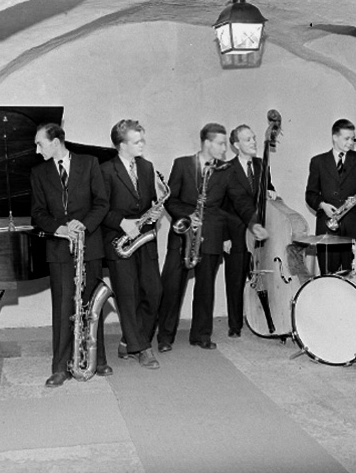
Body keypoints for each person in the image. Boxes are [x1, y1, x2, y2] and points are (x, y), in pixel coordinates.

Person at [155, 123, 269, 352]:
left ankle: (201, 335)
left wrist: (253, 223)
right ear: (207, 143)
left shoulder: (226, 171)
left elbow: (240, 200)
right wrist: (187, 216)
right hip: (183, 235)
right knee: (172, 286)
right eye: (220, 144)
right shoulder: (182, 164)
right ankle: (165, 337)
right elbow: (170, 199)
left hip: (212, 233)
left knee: (205, 288)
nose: (224, 149)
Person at [31, 123, 111, 387]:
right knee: (64, 307)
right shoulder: (39, 172)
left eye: (40, 143)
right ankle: (60, 367)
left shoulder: (89, 163)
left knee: (92, 305)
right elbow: (38, 213)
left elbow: (102, 203)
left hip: (90, 244)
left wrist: (83, 225)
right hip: (59, 248)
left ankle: (98, 360)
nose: (37, 150)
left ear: (55, 142)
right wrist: (60, 229)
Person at [101, 119, 163, 370]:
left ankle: (130, 341)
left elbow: (150, 201)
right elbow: (99, 208)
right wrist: (121, 222)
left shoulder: (147, 167)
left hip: (145, 239)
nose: (142, 145)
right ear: (121, 145)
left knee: (154, 292)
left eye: (142, 140)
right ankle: (142, 348)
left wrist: (155, 213)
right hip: (120, 241)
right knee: (128, 296)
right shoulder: (105, 170)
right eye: (136, 141)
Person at [221, 124, 275, 338]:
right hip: (235, 232)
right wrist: (224, 236)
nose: (253, 142)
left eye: (253, 138)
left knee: (262, 277)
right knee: (235, 279)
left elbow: (267, 190)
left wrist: (272, 191)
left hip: (259, 230)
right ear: (236, 145)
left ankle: (265, 319)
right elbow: (221, 205)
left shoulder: (262, 164)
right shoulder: (226, 169)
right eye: (247, 139)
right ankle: (235, 325)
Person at [305, 119, 356, 274]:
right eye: (346, 138)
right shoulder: (318, 162)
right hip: (327, 228)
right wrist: (322, 205)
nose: (350, 143)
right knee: (328, 276)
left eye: (353, 139)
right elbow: (310, 194)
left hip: (354, 227)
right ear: (335, 137)